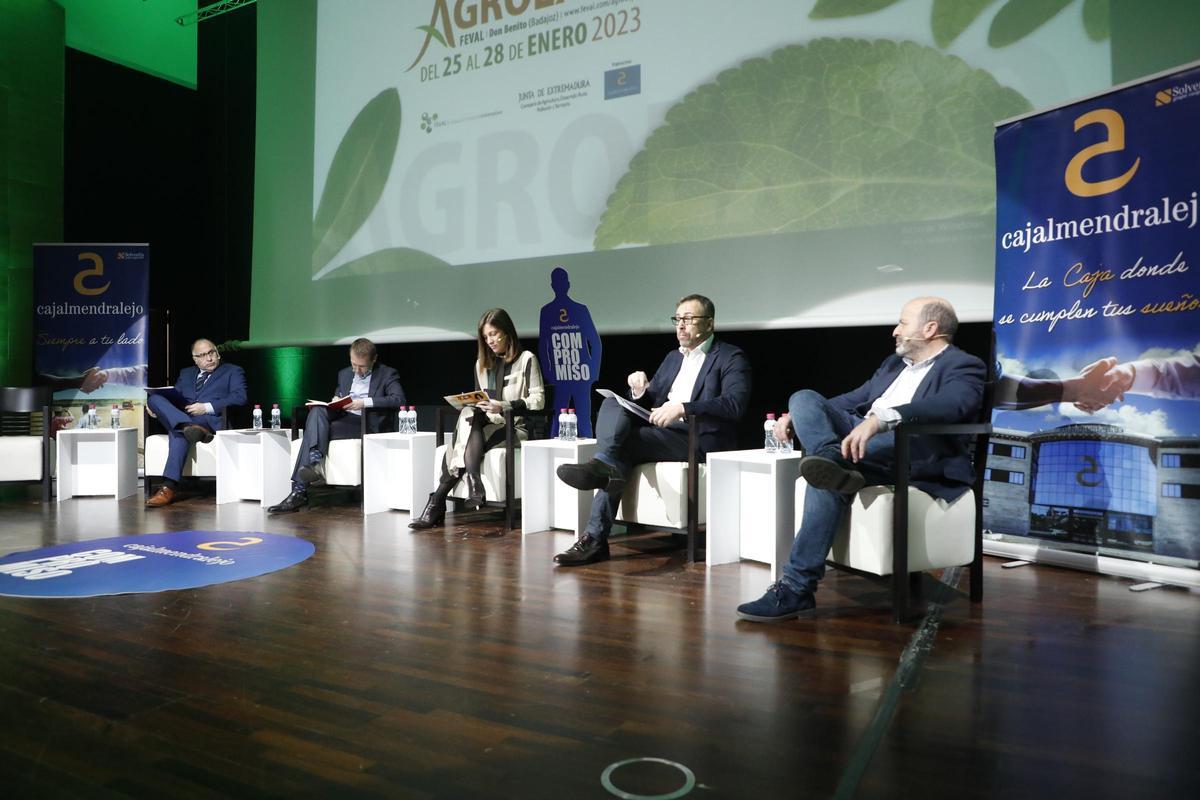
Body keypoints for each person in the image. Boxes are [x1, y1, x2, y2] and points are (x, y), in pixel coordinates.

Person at [737, 296, 984, 621]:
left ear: (930, 328)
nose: (895, 331)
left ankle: (796, 590)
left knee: (825, 476)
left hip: (910, 450)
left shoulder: (963, 365)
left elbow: (953, 406)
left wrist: (883, 419)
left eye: (902, 323)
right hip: (860, 444)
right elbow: (853, 399)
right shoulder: (894, 365)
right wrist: (796, 416)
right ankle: (831, 458)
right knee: (803, 398)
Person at [553, 294, 752, 565]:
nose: (681, 326)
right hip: (663, 431)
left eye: (689, 319)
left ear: (709, 324)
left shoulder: (729, 356)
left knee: (621, 447)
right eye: (678, 319)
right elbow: (652, 399)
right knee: (614, 403)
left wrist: (684, 407)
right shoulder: (673, 358)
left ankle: (595, 535)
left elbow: (734, 404)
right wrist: (638, 392)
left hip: (699, 437)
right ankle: (602, 471)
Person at [409, 308, 546, 528]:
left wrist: (503, 406)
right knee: (468, 412)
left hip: (514, 426)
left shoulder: (526, 359)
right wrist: (474, 402)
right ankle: (473, 480)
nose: (489, 340)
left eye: (493, 334)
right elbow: (479, 402)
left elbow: (538, 400)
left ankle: (437, 500)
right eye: (485, 337)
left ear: (507, 331)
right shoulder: (481, 365)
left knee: (462, 441)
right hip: (485, 424)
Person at [268, 338, 406, 513]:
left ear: (374, 359)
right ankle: (315, 462)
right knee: (317, 411)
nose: (356, 370)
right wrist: (336, 400)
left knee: (314, 432)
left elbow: (398, 399)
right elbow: (339, 394)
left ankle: (299, 491)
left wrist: (363, 402)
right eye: (353, 364)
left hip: (366, 422)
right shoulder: (345, 373)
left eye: (362, 366)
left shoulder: (387, 374)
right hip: (343, 417)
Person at [145, 339, 247, 507]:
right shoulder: (186, 373)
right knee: (154, 399)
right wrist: (158, 409)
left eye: (211, 352)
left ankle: (168, 487)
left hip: (208, 420)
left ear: (217, 353)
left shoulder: (233, 371)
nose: (209, 358)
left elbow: (240, 397)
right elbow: (175, 397)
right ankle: (187, 426)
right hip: (186, 417)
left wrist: (206, 407)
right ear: (195, 359)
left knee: (177, 433)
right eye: (203, 355)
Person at [538, 267, 601, 438]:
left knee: (583, 417)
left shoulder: (580, 309)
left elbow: (595, 342)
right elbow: (543, 345)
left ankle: (588, 459)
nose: (560, 285)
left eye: (562, 282)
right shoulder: (546, 311)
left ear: (568, 284)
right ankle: (554, 455)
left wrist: (593, 371)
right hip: (559, 373)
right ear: (552, 285)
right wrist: (548, 372)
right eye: (557, 282)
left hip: (581, 372)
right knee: (557, 419)